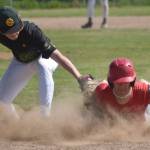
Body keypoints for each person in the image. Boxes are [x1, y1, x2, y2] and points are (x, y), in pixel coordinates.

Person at [0, 7, 90, 119]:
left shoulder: (31, 31)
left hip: (43, 58)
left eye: (17, 27)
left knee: (43, 66)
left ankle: (45, 118)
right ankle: (17, 126)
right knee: (2, 101)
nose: (16, 31)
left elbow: (57, 56)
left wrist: (79, 77)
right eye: (10, 31)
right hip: (22, 62)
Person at [83, 57, 150, 122]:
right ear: (111, 82)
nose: (121, 86)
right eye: (117, 82)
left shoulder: (144, 91)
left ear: (132, 82)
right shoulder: (102, 92)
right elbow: (90, 106)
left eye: (125, 82)